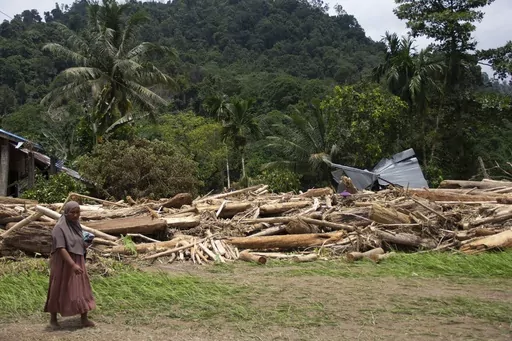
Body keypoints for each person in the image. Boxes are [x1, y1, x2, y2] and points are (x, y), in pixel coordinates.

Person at [44, 201, 96, 328]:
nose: (76, 215)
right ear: (66, 213)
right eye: (72, 212)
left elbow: (78, 241)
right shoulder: (59, 228)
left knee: (82, 288)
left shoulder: (76, 225)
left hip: (77, 260)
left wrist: (86, 243)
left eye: (78, 212)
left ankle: (84, 318)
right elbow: (61, 248)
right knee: (59, 287)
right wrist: (72, 265)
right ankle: (53, 320)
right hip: (63, 262)